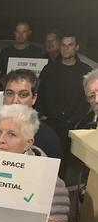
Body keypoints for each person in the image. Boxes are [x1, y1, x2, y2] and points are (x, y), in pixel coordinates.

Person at [36, 33, 92, 174]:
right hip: (49, 124)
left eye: (70, 45)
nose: (66, 49)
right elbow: (40, 94)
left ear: (76, 47)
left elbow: (88, 100)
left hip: (71, 126)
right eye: (63, 45)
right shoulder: (49, 69)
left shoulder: (85, 71)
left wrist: (75, 122)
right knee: (44, 161)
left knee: (63, 164)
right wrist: (42, 115)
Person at [3, 69, 63, 159]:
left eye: (23, 95)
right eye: (10, 93)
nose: (15, 101)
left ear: (34, 98)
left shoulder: (48, 138)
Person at [0, 21, 42, 85]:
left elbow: (42, 76)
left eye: (24, 32)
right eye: (18, 32)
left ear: (29, 33)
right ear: (14, 33)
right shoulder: (5, 52)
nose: (20, 35)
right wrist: (6, 82)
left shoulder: (37, 52)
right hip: (10, 92)